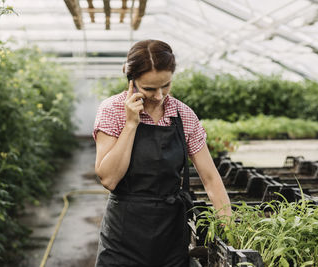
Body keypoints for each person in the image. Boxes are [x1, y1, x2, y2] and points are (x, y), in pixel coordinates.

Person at [93, 39, 231, 267]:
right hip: (123, 235)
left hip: (170, 234)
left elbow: (210, 178)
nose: (159, 95)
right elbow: (108, 178)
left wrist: (230, 230)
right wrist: (130, 124)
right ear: (131, 80)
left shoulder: (183, 115)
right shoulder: (113, 110)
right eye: (149, 88)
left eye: (165, 85)